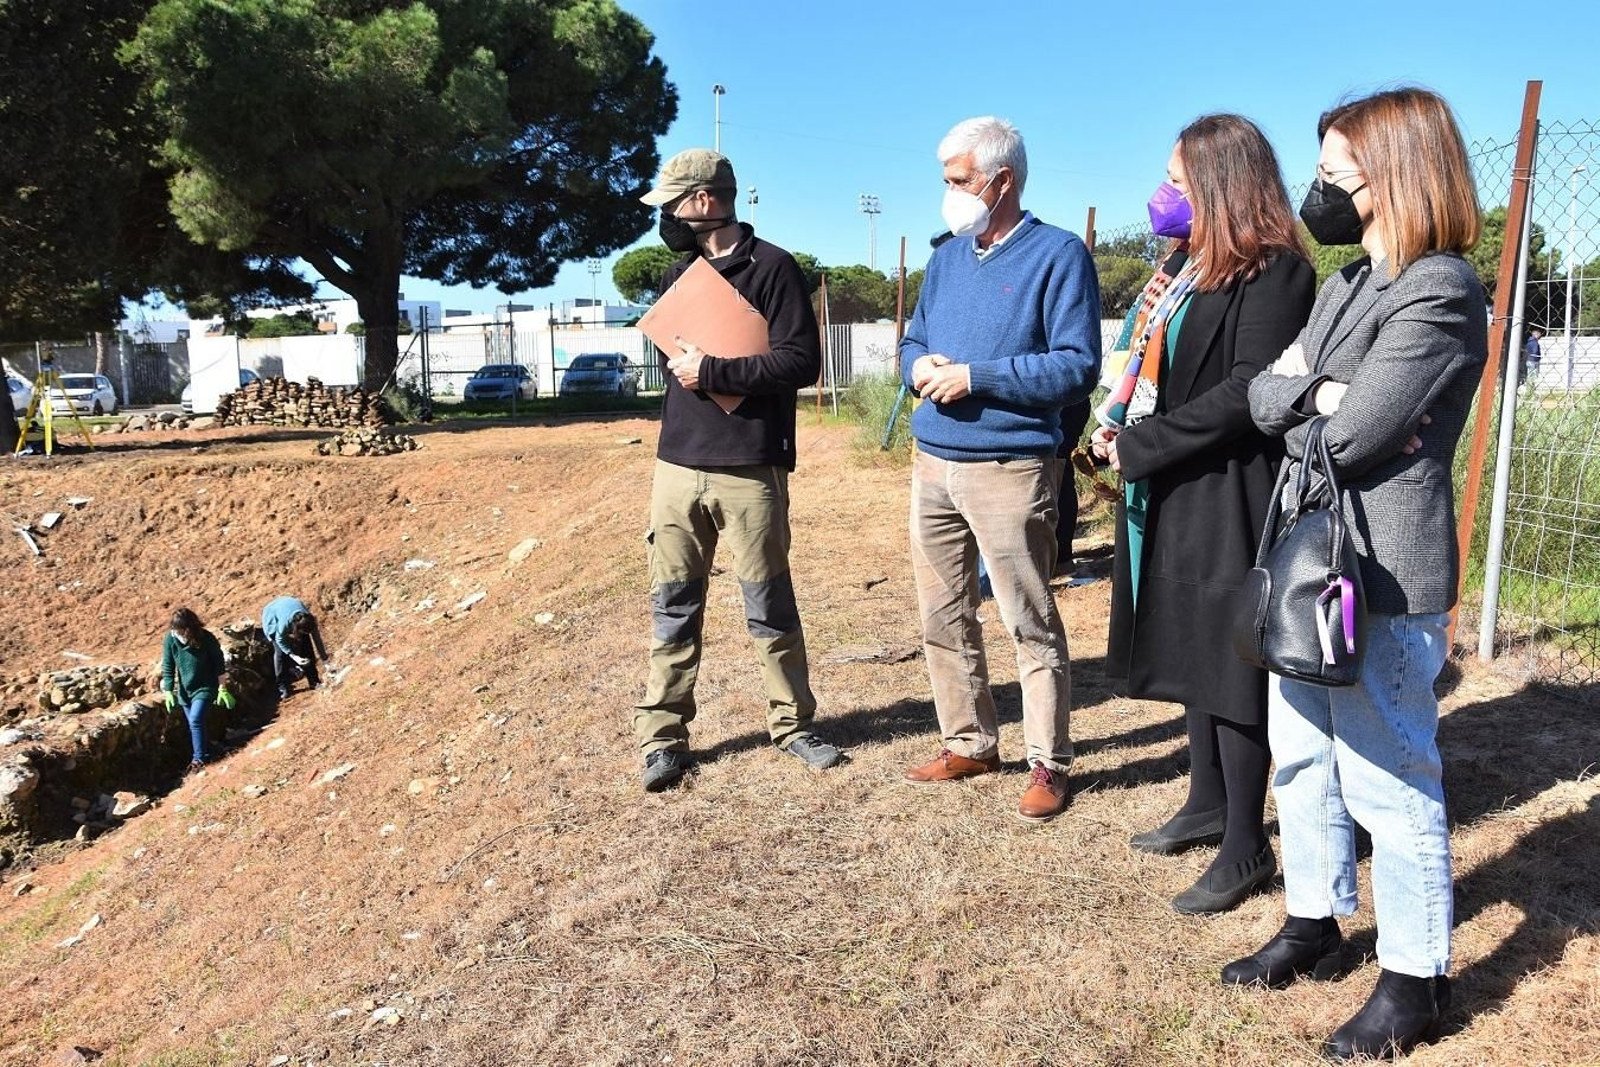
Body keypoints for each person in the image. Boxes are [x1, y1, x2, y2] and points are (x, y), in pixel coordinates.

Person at [1234, 87, 1486, 1061]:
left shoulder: (1439, 286)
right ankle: (1314, 915)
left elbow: (1357, 430)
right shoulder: (1343, 285)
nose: (1324, 184)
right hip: (1306, 551)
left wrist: (1315, 400)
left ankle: (1416, 976)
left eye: (1338, 166)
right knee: (1299, 751)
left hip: (1380, 567)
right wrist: (1316, 393)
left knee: (1388, 772)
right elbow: (1268, 399)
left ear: (1397, 171)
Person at [1092, 115, 1315, 913]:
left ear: (1223, 183)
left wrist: (1147, 442)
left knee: (1229, 660)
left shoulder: (1275, 271)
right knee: (1191, 638)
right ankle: (1205, 801)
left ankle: (1247, 844)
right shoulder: (1190, 267)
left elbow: (1248, 392)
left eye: (1181, 182)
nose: (1166, 195)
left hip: (1229, 483)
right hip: (1177, 474)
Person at [898, 116, 1101, 823]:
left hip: (1011, 467)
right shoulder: (948, 256)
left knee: (1028, 619)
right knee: (942, 612)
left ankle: (1048, 761)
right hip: (932, 465)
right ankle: (970, 742)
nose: (948, 194)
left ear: (1001, 180)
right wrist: (916, 363)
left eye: (957, 180)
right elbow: (914, 336)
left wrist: (978, 377)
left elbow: (1076, 366)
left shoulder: (1059, 255)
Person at [631, 148, 843, 791]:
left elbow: (801, 363)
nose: (665, 217)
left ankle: (793, 726)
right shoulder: (679, 272)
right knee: (672, 604)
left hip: (749, 467)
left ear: (701, 202)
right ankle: (662, 737)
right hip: (677, 467)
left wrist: (715, 373)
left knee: (768, 603)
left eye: (671, 203)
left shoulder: (774, 268)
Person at [160, 607, 231, 773]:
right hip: (185, 689)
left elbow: (218, 662)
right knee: (195, 724)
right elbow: (168, 665)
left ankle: (198, 759)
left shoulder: (206, 638)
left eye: (181, 630)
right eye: (175, 630)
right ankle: (208, 752)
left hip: (205, 686)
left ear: (189, 628)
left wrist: (223, 688)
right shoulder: (170, 640)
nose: (177, 633)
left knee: (195, 720)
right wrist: (169, 690)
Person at [262, 595, 327, 700]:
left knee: (306, 647)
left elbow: (317, 640)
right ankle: (283, 687)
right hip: (272, 616)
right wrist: (293, 656)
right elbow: (280, 640)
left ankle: (314, 681)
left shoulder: (309, 620)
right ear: (297, 628)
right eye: (303, 632)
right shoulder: (284, 623)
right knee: (280, 653)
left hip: (289, 607)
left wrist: (325, 660)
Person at [1522, 324, 1544, 389]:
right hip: (1533, 360)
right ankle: (1531, 387)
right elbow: (1535, 351)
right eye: (1539, 333)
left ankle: (1529, 386)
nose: (1540, 335)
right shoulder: (1534, 342)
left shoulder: (1529, 341)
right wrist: (1538, 357)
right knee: (1533, 375)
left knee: (1529, 374)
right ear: (1536, 334)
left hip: (1528, 359)